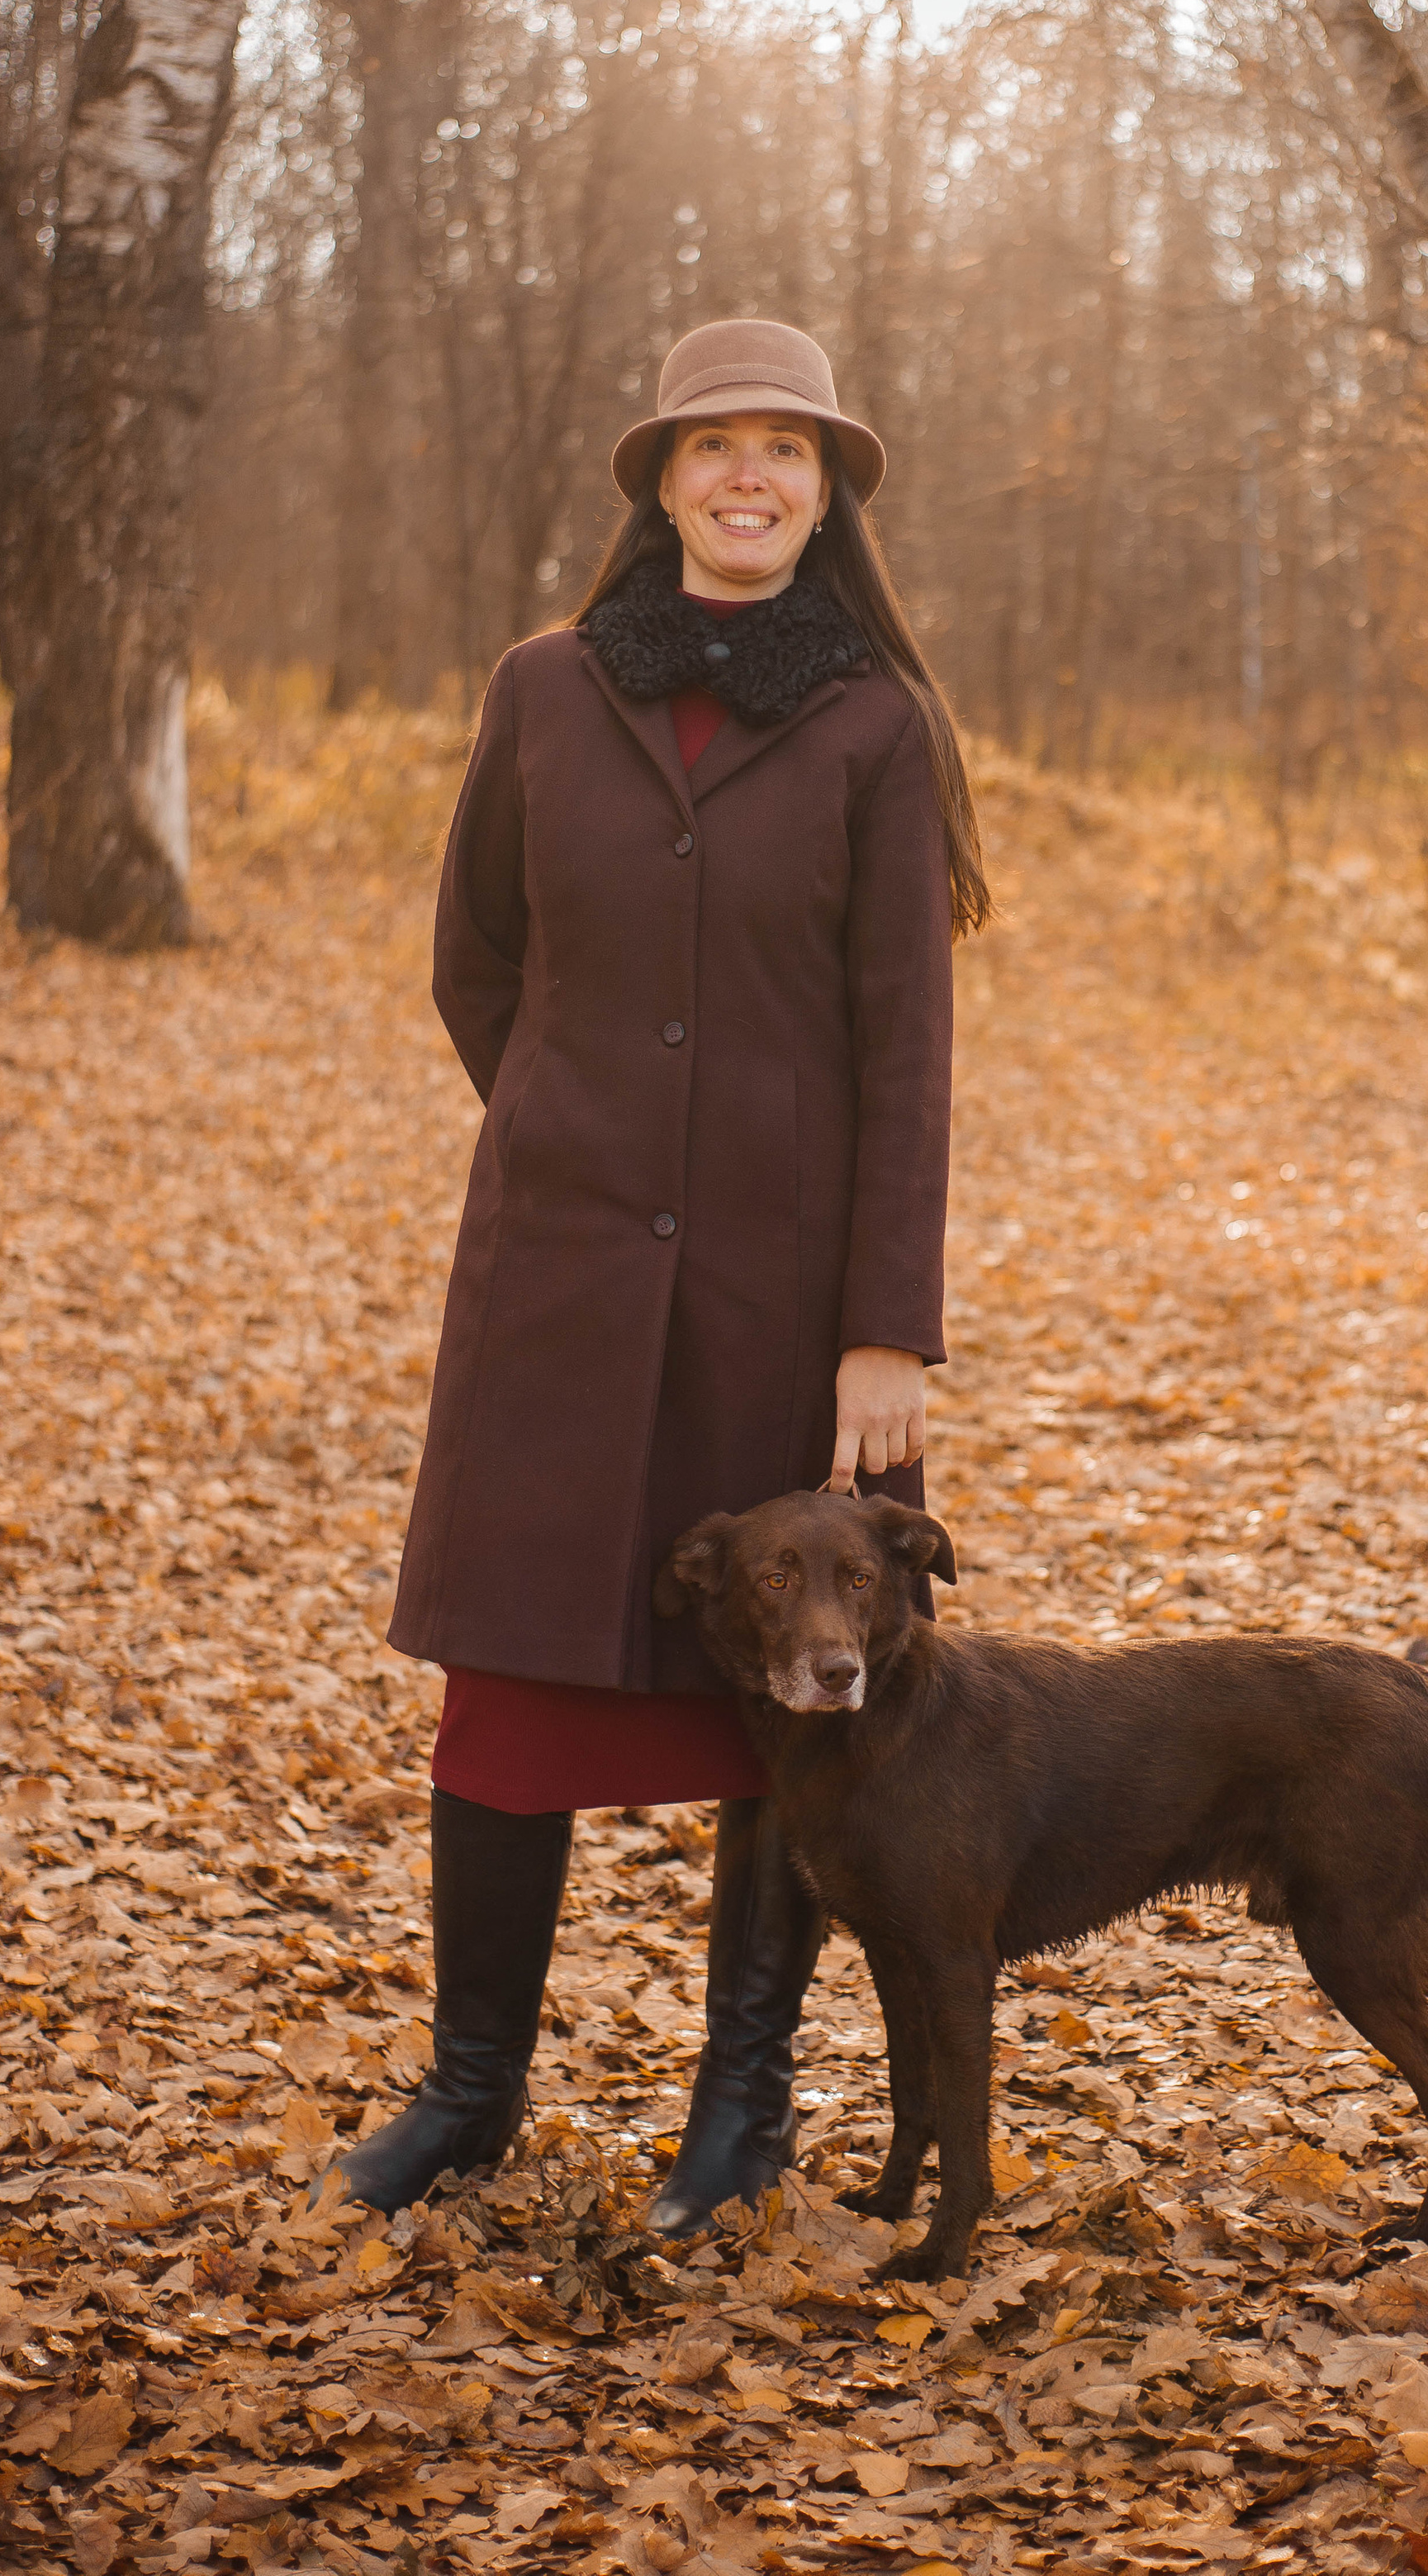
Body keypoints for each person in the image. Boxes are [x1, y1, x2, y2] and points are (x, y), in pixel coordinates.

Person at [332, 317, 989, 2226]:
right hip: (555, 1286)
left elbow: (905, 1050)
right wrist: (571, 1131)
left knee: (788, 1708)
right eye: (714, 444)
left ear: (826, 492)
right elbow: (477, 959)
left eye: (785, 447)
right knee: (508, 1689)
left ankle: (740, 2108)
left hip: (781, 1306)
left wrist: (884, 1331)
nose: (747, 475)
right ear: (662, 482)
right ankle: (469, 2093)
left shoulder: (873, 723)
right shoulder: (543, 690)